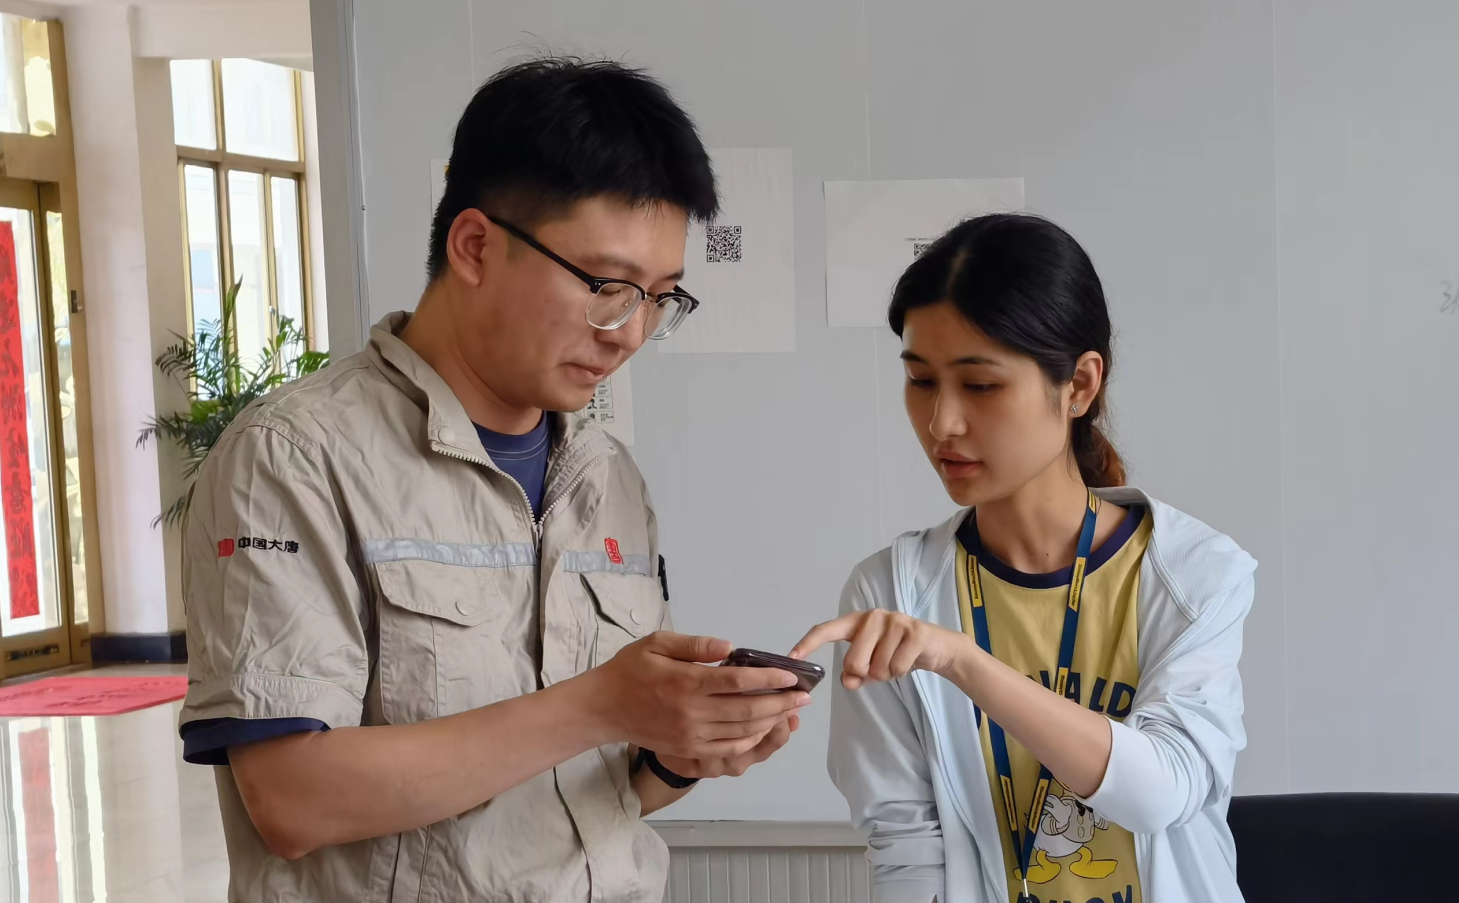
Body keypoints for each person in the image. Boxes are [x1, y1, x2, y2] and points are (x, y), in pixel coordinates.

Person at [177, 58, 809, 903]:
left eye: (659, 297)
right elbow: (293, 800)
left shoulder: (605, 473)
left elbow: (605, 795)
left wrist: (681, 750)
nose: (629, 333)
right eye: (607, 286)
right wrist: (598, 704)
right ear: (474, 246)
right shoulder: (295, 456)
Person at [793, 214, 1256, 903]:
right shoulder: (891, 591)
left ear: (1079, 385)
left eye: (980, 386)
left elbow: (1163, 789)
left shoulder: (1193, 574)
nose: (941, 422)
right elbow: (905, 846)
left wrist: (962, 661)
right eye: (920, 380)